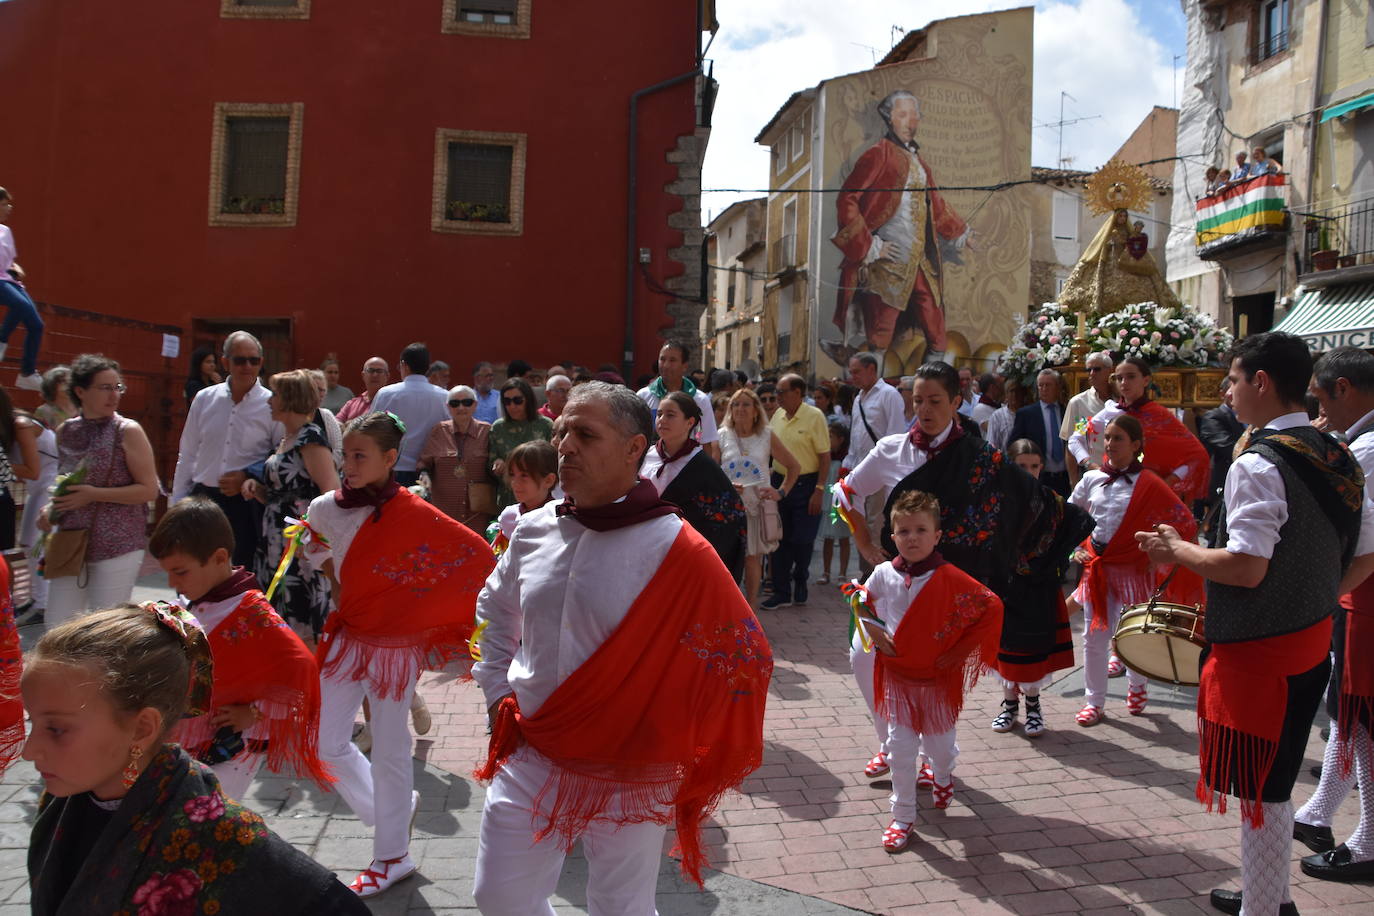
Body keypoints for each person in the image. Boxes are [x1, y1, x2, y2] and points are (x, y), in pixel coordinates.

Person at [469, 381, 772, 914]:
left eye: (585, 434)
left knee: (619, 907)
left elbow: (744, 656)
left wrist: (674, 725)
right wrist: (496, 691)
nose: (564, 446)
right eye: (562, 431)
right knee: (499, 897)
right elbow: (494, 612)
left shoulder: (677, 548)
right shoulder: (532, 529)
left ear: (636, 448)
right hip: (533, 744)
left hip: (632, 766)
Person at [1137, 332, 1368, 916]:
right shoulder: (1336, 448)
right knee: (1276, 776)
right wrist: (1311, 599)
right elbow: (1363, 554)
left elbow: (1244, 568)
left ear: (1261, 382)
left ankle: (1265, 907)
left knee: (1261, 786)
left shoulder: (1261, 462)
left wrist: (1181, 552)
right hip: (1309, 641)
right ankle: (1268, 895)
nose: (1227, 392)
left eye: (1233, 380)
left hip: (1259, 653)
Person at [21, 603, 369, 914]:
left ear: (142, 728)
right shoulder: (64, 801)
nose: (29, 750)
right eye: (33, 722)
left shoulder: (216, 836)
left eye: (56, 729)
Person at [837, 362, 1091, 764]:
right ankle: (889, 744)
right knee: (864, 655)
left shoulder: (979, 457)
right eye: (918, 400)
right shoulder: (891, 450)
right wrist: (865, 543)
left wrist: (1067, 525)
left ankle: (937, 759)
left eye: (936, 400)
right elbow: (844, 494)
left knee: (938, 673)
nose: (925, 409)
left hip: (948, 584)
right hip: (893, 577)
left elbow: (1022, 500)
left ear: (957, 401)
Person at [302, 412, 495, 897]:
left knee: (389, 749)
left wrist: (417, 607)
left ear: (391, 460)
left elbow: (472, 553)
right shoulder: (325, 507)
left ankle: (393, 857)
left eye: (360, 456)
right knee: (327, 742)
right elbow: (323, 563)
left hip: (394, 648)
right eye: (346, 454)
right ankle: (389, 811)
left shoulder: (413, 510)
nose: (349, 464)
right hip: (349, 638)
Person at [149, 498, 330, 803]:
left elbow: (302, 671)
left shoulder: (254, 614)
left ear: (219, 558)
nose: (172, 583)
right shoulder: (191, 600)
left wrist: (257, 712)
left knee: (206, 819)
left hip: (231, 745)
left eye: (180, 572)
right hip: (186, 738)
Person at [853, 490, 1002, 850]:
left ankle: (943, 773)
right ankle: (902, 816)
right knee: (901, 748)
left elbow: (990, 606)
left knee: (939, 746)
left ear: (937, 535)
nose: (912, 538)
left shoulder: (950, 578)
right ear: (893, 536)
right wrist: (872, 630)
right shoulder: (884, 573)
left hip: (936, 679)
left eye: (921, 530)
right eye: (904, 531)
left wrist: (958, 652)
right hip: (897, 677)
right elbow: (860, 599)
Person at [1293, 346, 1374, 882]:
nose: (1320, 411)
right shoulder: (1360, 442)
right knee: (1348, 707)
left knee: (1360, 712)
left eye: (1322, 398)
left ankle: (1367, 840)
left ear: (1343, 389)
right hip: (1358, 595)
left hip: (1364, 596)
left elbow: (1356, 536)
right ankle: (1320, 811)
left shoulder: (1365, 447)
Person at [1067, 416, 1204, 725]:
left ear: (1136, 446)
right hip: (1098, 570)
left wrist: (1159, 551)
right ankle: (1094, 702)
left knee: (1136, 634)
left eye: (1118, 439)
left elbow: (1183, 521)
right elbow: (1072, 516)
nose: (1110, 444)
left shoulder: (1150, 482)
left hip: (1134, 571)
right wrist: (1076, 549)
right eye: (1108, 438)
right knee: (1093, 637)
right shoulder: (1091, 480)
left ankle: (1137, 687)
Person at [828, 90, 971, 365]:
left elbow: (936, 207)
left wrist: (963, 233)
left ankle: (929, 385)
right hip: (888, 259)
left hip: (920, 260)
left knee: (937, 327)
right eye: (903, 114)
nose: (910, 121)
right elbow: (848, 198)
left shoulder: (920, 163)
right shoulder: (877, 154)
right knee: (881, 330)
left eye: (914, 115)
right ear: (889, 118)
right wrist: (870, 245)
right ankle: (872, 388)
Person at [44, 355, 159, 628]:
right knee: (58, 624)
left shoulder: (127, 430)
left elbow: (149, 490)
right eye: (105, 387)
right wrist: (51, 508)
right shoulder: (66, 431)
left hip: (117, 544)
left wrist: (94, 494)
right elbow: (64, 482)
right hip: (71, 541)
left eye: (117, 387)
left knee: (104, 627)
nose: (114, 395)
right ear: (81, 391)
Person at [241, 370, 340, 640]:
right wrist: (259, 490)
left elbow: (330, 491)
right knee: (280, 610)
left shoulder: (310, 439)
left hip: (298, 545)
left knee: (300, 613)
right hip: (275, 539)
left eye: (275, 394)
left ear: (290, 398)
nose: (269, 400)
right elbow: (285, 492)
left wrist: (311, 539)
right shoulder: (287, 439)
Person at [172, 331, 279, 568]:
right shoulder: (204, 398)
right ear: (225, 362)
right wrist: (177, 502)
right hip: (203, 498)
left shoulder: (272, 403)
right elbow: (188, 452)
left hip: (245, 503)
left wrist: (249, 474)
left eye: (254, 360)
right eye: (239, 360)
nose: (247, 366)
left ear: (261, 362)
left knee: (241, 574)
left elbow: (280, 454)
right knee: (197, 569)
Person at [1069, 355, 1209, 504]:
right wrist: (1089, 464)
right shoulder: (1110, 411)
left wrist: (1170, 481)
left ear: (1146, 380)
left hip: (1150, 491)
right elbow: (1075, 439)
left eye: (1130, 377)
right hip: (1116, 489)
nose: (1124, 383)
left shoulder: (1160, 415)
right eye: (1119, 378)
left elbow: (1197, 455)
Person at [642, 391, 747, 581]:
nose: (662, 420)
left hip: (682, 559)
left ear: (690, 422)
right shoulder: (644, 456)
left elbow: (730, 517)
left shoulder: (703, 466)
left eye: (671, 415)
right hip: (644, 552)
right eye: (659, 414)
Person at [720, 388, 796, 605]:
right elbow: (714, 469)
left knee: (753, 559)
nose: (740, 409)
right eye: (735, 404)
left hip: (756, 506)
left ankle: (751, 608)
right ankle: (730, 606)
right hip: (730, 507)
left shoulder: (766, 435)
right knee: (727, 559)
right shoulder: (722, 435)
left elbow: (793, 466)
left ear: (755, 411)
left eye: (745, 404)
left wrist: (780, 492)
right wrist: (726, 485)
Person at [764, 374, 831, 609]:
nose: (777, 397)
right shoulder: (778, 416)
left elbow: (824, 457)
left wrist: (819, 489)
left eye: (782, 392)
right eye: (777, 392)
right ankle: (781, 591)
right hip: (781, 482)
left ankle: (800, 577)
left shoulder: (815, 417)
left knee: (802, 539)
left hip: (807, 483)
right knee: (779, 538)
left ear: (798, 393)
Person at [843, 352, 909, 577]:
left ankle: (876, 574)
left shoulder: (889, 395)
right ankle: (866, 572)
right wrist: (847, 466)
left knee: (877, 525)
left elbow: (896, 435)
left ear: (872, 369)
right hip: (859, 472)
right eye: (851, 373)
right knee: (859, 523)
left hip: (881, 474)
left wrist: (890, 475)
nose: (853, 377)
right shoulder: (858, 398)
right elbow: (856, 436)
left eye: (857, 372)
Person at [418, 384, 495, 533]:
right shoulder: (439, 431)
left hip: (477, 514)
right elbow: (424, 462)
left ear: (475, 405)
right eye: (455, 403)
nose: (461, 408)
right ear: (448, 407)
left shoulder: (487, 431)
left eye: (467, 402)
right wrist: (424, 475)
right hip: (445, 511)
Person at [370, 342, 447, 488]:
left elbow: (372, 429)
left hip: (394, 469)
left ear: (404, 365)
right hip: (431, 471)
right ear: (428, 367)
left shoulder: (386, 394)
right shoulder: (443, 397)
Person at [637, 342, 720, 461]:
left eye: (672, 360)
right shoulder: (643, 396)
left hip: (689, 468)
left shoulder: (700, 400)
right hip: (650, 466)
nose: (665, 365)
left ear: (685, 365)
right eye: (662, 359)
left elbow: (706, 442)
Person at [16, 398, 58, 625]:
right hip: (39, 488)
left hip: (45, 487)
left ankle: (42, 605)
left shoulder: (21, 425)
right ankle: (38, 600)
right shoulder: (21, 424)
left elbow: (32, 471)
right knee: (29, 545)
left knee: (35, 547)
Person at [0, 188, 45, 391]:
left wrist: (15, 267)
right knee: (19, 304)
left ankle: (27, 373)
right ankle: (0, 342)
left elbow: (9, 261)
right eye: (4, 204)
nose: (8, 208)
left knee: (36, 325)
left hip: (9, 279)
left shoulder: (6, 232)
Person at [488, 376, 555, 512]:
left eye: (517, 400)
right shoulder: (498, 428)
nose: (512, 406)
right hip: (508, 499)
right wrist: (497, 463)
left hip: (540, 500)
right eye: (507, 401)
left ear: (528, 400)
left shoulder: (545, 425)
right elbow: (491, 461)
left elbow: (553, 462)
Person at [1009, 368, 1070, 496]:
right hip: (1039, 477)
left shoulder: (1067, 411)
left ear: (1057, 387)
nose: (1044, 389)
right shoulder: (1026, 414)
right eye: (1040, 385)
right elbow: (1013, 444)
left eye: (1048, 385)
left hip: (1064, 478)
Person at [1199, 379, 1244, 545]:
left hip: (1243, 487)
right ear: (1223, 393)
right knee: (1217, 539)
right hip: (1223, 486)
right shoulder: (1214, 417)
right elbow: (1229, 449)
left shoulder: (1252, 419)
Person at [1061, 352, 1114, 488]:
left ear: (1110, 371)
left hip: (1123, 472)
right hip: (1093, 474)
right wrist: (1073, 482)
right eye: (1088, 369)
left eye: (1096, 369)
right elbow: (1071, 444)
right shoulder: (1078, 403)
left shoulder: (1122, 400)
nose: (1091, 373)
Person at [492, 440, 559, 548]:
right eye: (512, 474)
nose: (515, 482)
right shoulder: (509, 517)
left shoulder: (559, 520)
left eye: (524, 475)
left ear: (548, 480)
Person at [817, 418, 853, 587]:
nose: (827, 440)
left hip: (843, 504)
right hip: (827, 503)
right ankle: (825, 572)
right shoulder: (825, 457)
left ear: (841, 439)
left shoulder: (847, 459)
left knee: (844, 538)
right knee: (828, 539)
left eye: (830, 436)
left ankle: (842, 573)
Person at [335, 356, 388, 424]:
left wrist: (351, 424)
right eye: (371, 370)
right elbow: (336, 424)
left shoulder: (393, 402)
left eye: (379, 371)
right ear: (363, 375)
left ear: (387, 376)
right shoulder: (351, 404)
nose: (375, 375)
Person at [305, 369, 344, 460]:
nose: (320, 394)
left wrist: (326, 468)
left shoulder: (326, 416)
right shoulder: (292, 416)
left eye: (323, 390)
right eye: (316, 389)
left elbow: (338, 450)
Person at [34, 365, 75, 431]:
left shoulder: (84, 408)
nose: (69, 385)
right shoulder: (44, 411)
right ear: (51, 385)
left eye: (71, 381)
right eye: (63, 381)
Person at [985, 382, 1021, 452]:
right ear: (1006, 394)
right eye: (1011, 391)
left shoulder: (1027, 415)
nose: (1015, 395)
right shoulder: (997, 416)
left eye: (1017, 391)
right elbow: (991, 444)